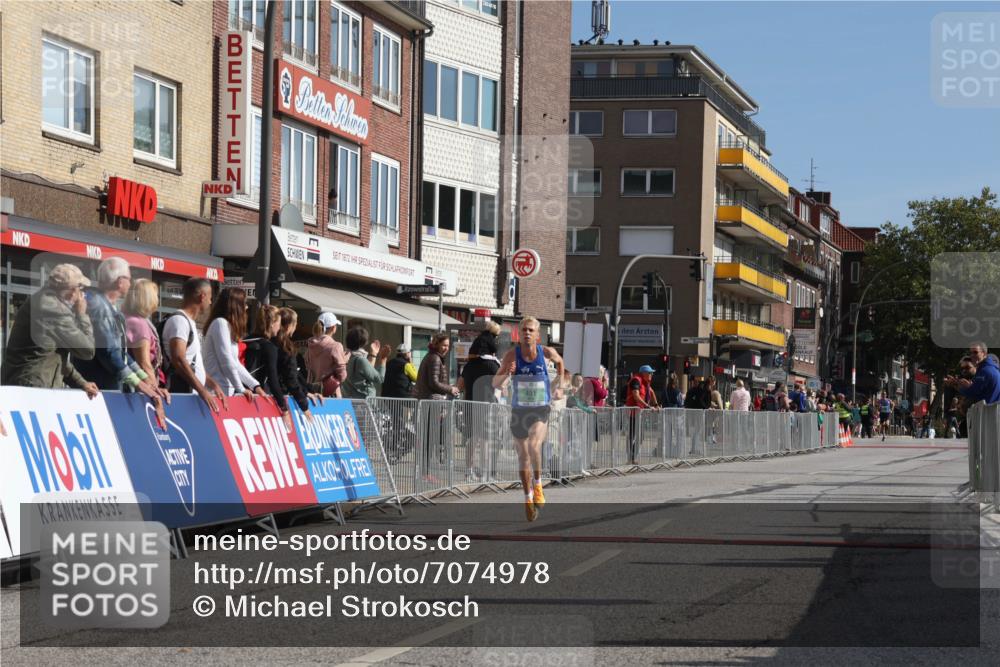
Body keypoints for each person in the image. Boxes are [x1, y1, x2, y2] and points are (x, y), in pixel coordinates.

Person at [493, 316, 563, 521]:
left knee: (534, 446)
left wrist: (558, 386)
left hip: (540, 409)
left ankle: (538, 484)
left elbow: (560, 363)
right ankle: (528, 498)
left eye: (531, 330)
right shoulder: (511, 355)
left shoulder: (546, 352)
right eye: (524, 330)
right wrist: (507, 373)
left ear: (537, 334)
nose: (527, 333)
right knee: (523, 457)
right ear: (519, 333)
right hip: (519, 411)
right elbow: (496, 383)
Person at [74, 257, 164, 403]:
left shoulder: (109, 306)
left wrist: (142, 376)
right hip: (98, 389)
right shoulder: (99, 306)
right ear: (120, 282)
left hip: (103, 387)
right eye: (129, 278)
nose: (131, 283)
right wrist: (138, 383)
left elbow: (119, 351)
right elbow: (108, 351)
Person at [1, 263, 99, 398]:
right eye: (80, 288)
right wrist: (82, 314)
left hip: (31, 384)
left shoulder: (47, 302)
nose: (82, 294)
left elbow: (56, 357)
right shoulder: (52, 309)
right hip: (30, 389)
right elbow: (87, 350)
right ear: (71, 290)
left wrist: (82, 383)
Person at [162, 277, 227, 412]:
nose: (210, 302)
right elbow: (179, 360)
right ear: (202, 296)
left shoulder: (189, 322)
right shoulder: (179, 321)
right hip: (182, 395)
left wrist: (211, 383)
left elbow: (193, 362)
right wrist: (202, 390)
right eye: (210, 298)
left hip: (192, 394)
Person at [248, 305, 311, 425]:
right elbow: (274, 379)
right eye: (278, 322)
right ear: (272, 324)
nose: (279, 326)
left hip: (242, 392)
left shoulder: (248, 339)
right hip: (263, 397)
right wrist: (285, 409)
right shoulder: (271, 347)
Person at [202, 288, 265, 399]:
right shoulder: (220, 323)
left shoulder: (227, 326)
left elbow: (235, 362)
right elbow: (225, 359)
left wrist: (255, 385)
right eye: (244, 303)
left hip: (225, 391)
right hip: (215, 392)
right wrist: (241, 388)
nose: (246, 307)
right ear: (235, 306)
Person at [457, 330, 502, 482]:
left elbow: (460, 385)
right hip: (487, 406)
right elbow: (500, 385)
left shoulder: (469, 365)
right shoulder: (493, 365)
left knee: (472, 439)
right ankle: (485, 473)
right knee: (485, 440)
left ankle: (468, 472)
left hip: (470, 404)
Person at [271, 307, 317, 422]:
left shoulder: (269, 342)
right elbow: (290, 378)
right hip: (280, 400)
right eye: (295, 324)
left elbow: (294, 374)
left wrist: (306, 391)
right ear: (289, 326)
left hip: (266, 395)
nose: (296, 327)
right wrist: (304, 406)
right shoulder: (286, 348)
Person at [123, 278, 165, 387]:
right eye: (155, 296)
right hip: (139, 386)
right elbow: (144, 363)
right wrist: (155, 389)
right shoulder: (138, 323)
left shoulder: (127, 318)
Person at [305, 312, 347, 397]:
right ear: (333, 327)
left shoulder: (311, 346)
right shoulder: (335, 346)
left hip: (313, 391)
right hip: (331, 391)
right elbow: (342, 376)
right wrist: (344, 360)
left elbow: (308, 367)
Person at [342, 325, 391, 399]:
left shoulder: (346, 357)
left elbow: (367, 374)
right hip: (364, 401)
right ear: (364, 342)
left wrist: (373, 354)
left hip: (349, 399)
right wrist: (383, 359)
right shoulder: (360, 360)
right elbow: (379, 379)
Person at [946, 342, 1000, 407]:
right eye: (970, 353)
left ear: (984, 353)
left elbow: (972, 393)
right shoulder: (991, 368)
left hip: (986, 411)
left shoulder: (985, 371)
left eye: (975, 352)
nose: (972, 355)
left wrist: (955, 384)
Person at [416, 332, 459, 400]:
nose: (446, 348)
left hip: (428, 398)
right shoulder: (435, 358)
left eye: (448, 346)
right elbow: (433, 383)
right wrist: (450, 389)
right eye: (444, 345)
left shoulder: (431, 356)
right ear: (436, 345)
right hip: (431, 399)